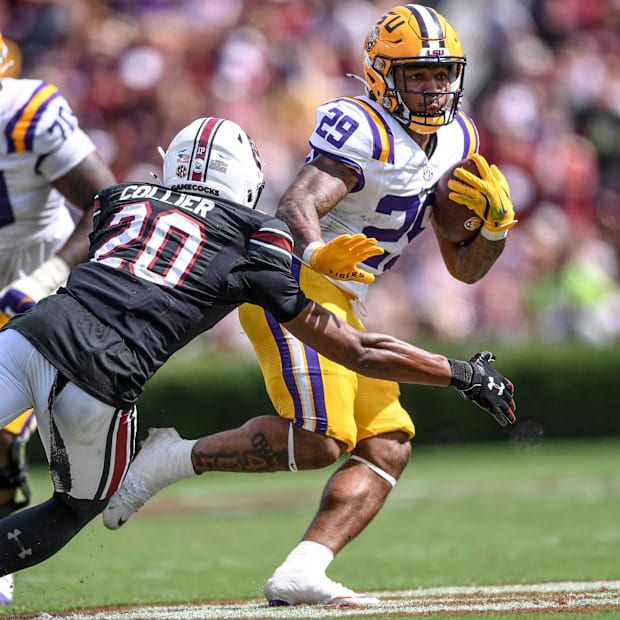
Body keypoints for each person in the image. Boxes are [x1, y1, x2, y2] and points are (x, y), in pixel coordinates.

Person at [104, 4, 519, 607]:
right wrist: (319, 252)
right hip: (295, 281)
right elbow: (297, 203)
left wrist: (494, 233)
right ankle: (168, 458)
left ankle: (303, 569)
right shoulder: (364, 127)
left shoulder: (460, 137)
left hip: (348, 294)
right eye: (417, 76)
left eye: (440, 74)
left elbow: (465, 269)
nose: (433, 89)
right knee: (323, 437)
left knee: (387, 443)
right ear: (381, 75)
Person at [0, 115, 515, 595]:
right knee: (74, 508)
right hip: (99, 377)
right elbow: (355, 349)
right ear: (247, 178)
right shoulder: (255, 238)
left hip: (27, 335)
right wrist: (460, 372)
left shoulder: (119, 200)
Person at [0, 32, 116, 603]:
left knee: (1, 437)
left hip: (31, 286)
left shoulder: (25, 115)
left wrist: (46, 276)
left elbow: (108, 201)